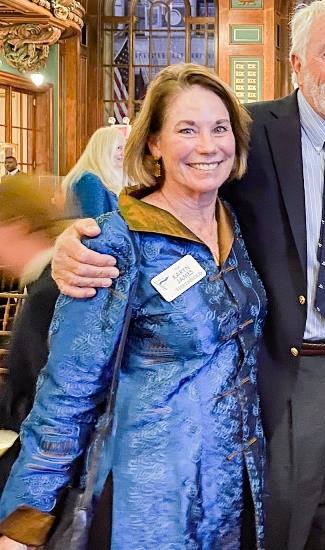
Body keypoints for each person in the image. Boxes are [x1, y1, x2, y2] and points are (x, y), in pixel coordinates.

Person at [49, 0, 325, 550]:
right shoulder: (247, 133)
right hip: (277, 374)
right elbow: (169, 200)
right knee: (276, 530)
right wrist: (81, 236)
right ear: (296, 62)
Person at [0, 63, 268, 549]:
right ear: (154, 144)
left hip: (235, 488)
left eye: (219, 128)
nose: (208, 146)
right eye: (187, 129)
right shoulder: (116, 246)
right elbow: (67, 392)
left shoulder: (234, 222)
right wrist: (24, 520)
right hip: (149, 502)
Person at [0, 177, 65, 495]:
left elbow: (48, 400)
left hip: (39, 469)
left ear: (16, 226)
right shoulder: (47, 283)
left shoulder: (49, 292)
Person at [62, 125, 125, 218]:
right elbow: (94, 225)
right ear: (103, 149)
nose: (124, 153)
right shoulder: (89, 181)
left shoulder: (95, 179)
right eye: (119, 148)